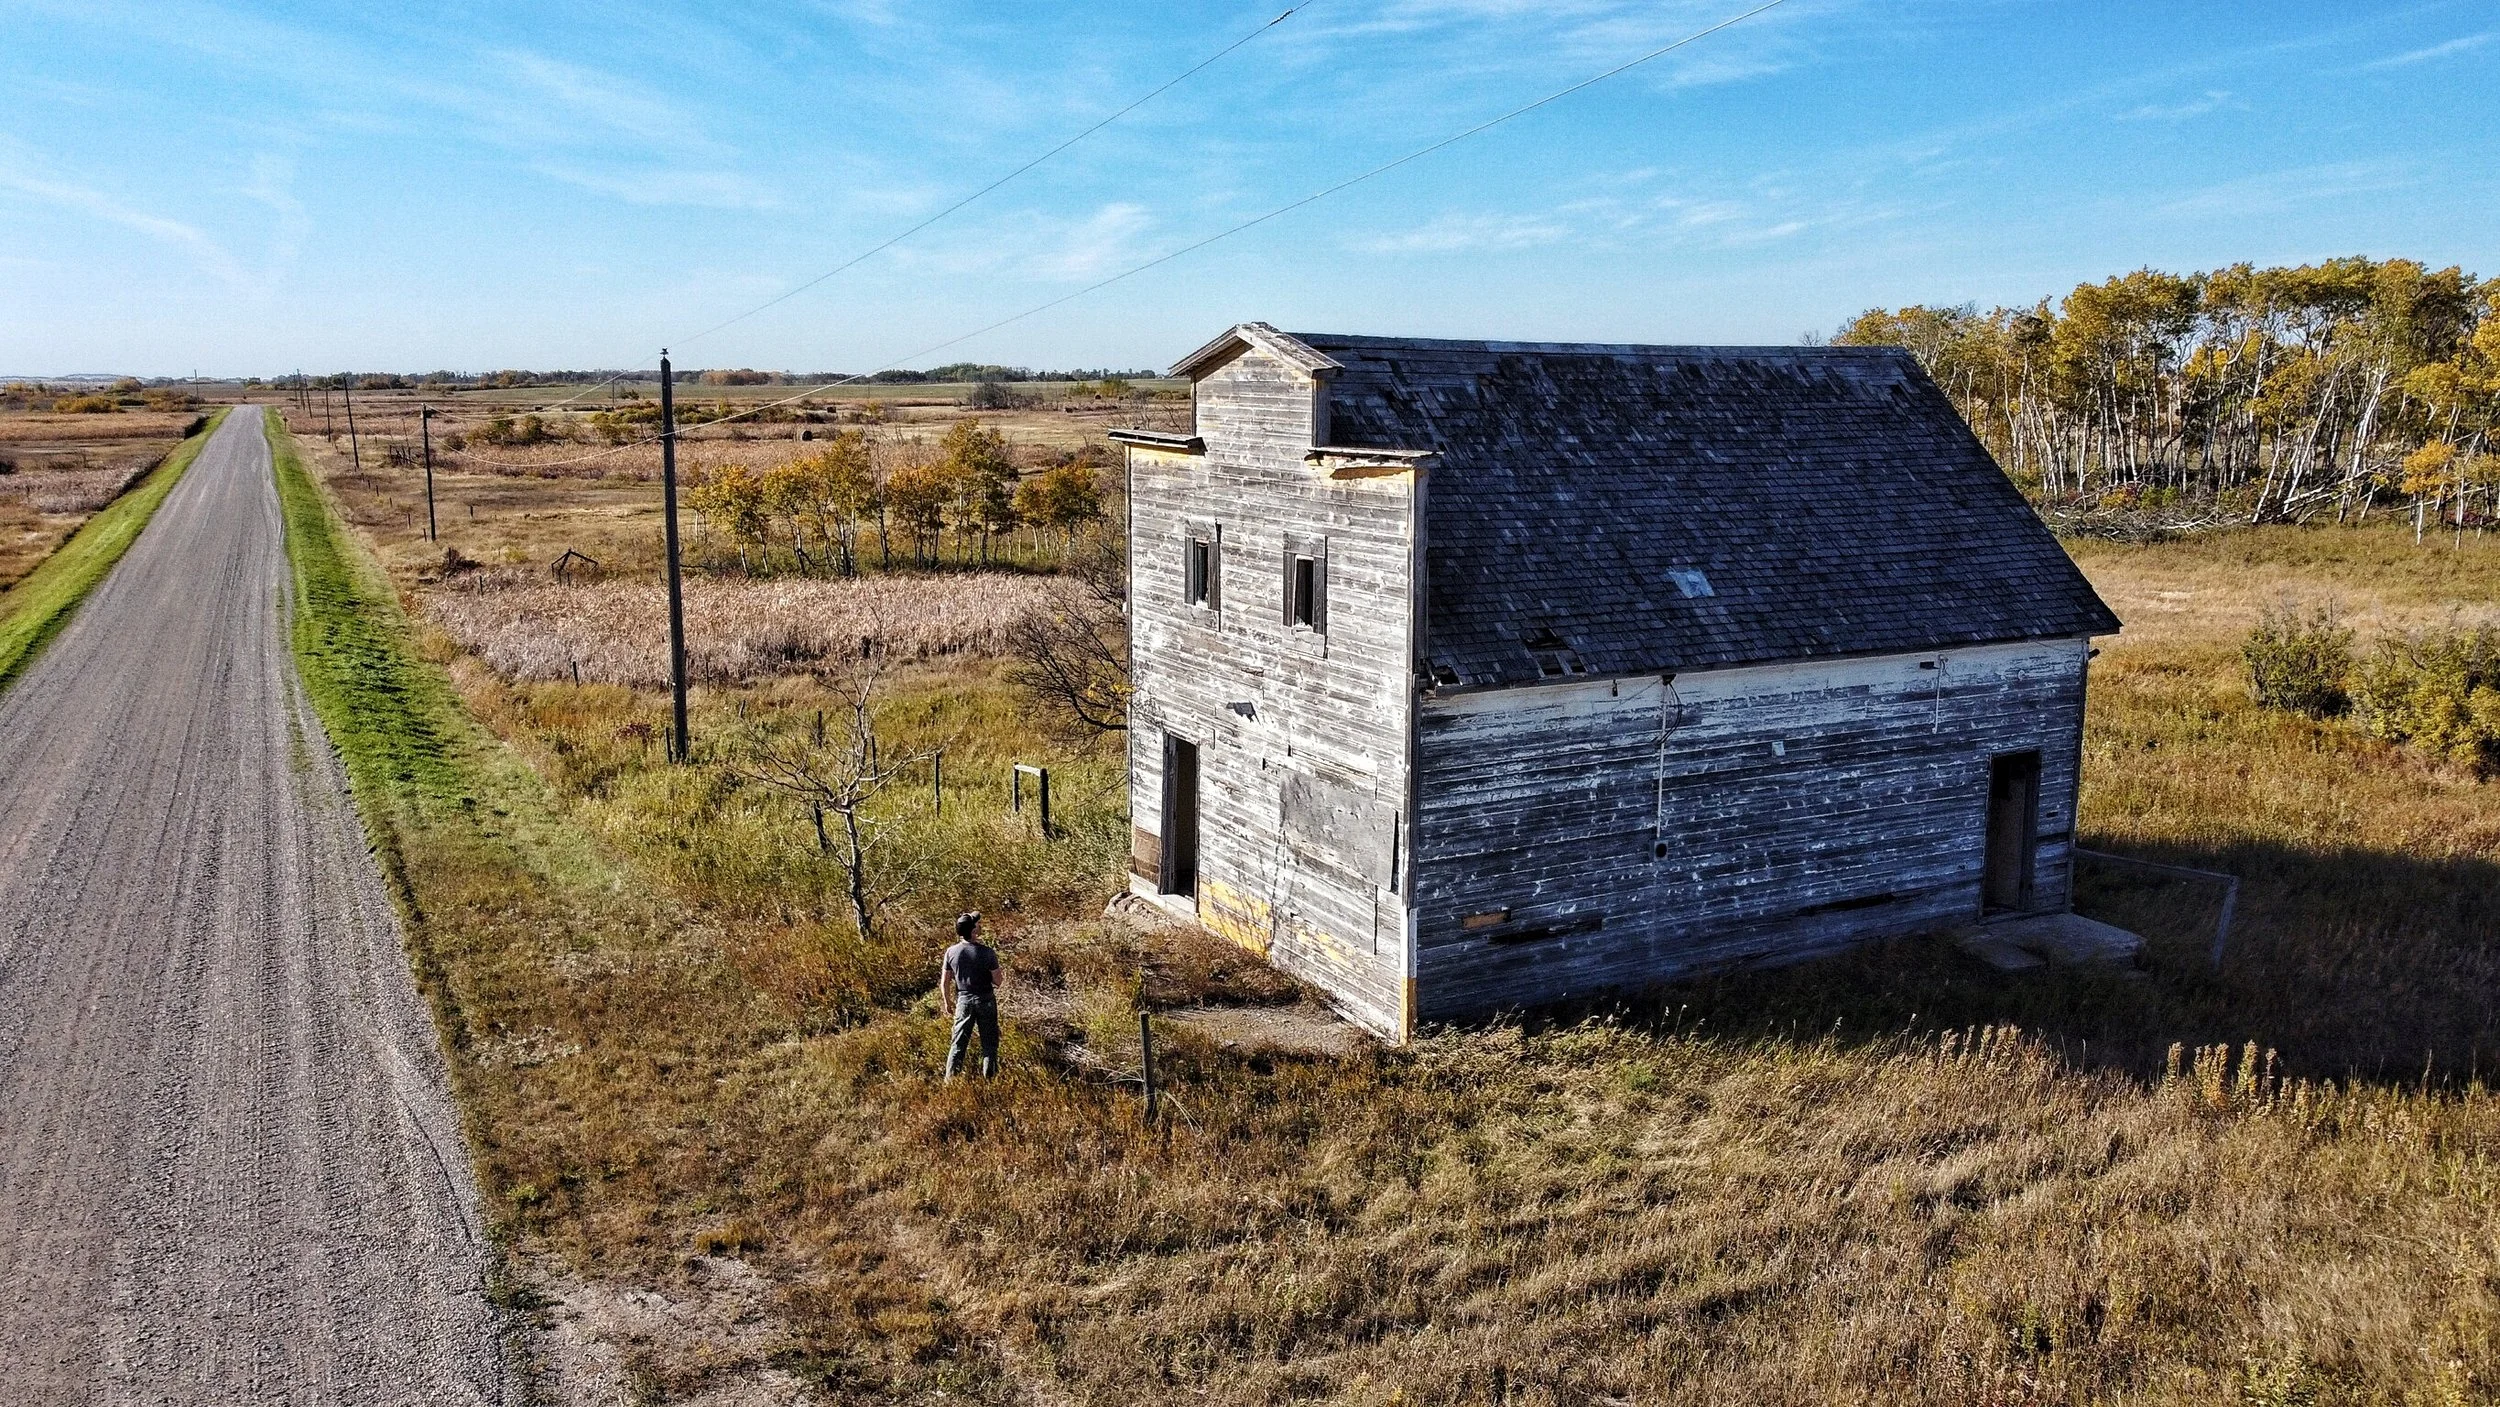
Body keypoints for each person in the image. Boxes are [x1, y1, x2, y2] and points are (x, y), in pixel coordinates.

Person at [939, 912, 1002, 1080]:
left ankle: (950, 1082)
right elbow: (998, 981)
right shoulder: (987, 952)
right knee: (989, 1044)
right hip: (986, 1000)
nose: (979, 925)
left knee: (958, 1043)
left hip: (963, 1002)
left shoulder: (951, 952)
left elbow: (944, 981)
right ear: (974, 930)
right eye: (977, 924)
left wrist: (947, 1002)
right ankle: (990, 1080)